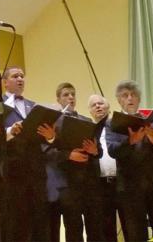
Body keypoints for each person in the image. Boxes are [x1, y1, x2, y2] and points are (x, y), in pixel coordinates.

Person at [0, 66, 54, 242]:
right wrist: (10, 131)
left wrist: (50, 136)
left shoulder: (34, 106)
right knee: (16, 224)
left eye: (22, 76)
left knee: (39, 222)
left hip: (36, 172)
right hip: (11, 172)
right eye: (15, 76)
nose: (20, 79)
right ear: (4, 83)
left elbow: (44, 138)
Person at [106, 81, 153, 242]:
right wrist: (130, 141)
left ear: (139, 99)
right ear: (119, 100)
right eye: (125, 95)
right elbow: (113, 151)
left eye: (133, 95)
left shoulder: (152, 122)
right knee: (136, 233)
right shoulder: (112, 123)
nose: (130, 98)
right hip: (130, 187)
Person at [45, 83, 102, 242]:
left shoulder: (87, 120)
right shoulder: (53, 122)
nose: (70, 97)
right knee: (74, 228)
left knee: (95, 227)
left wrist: (95, 151)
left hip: (89, 182)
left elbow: (99, 150)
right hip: (68, 183)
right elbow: (48, 153)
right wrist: (69, 155)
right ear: (58, 99)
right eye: (66, 95)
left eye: (73, 94)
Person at [88, 94, 120, 242]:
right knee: (106, 227)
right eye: (94, 105)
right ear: (90, 111)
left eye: (100, 103)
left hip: (122, 182)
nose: (98, 106)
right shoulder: (89, 131)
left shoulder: (117, 127)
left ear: (108, 107)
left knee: (129, 223)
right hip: (100, 185)